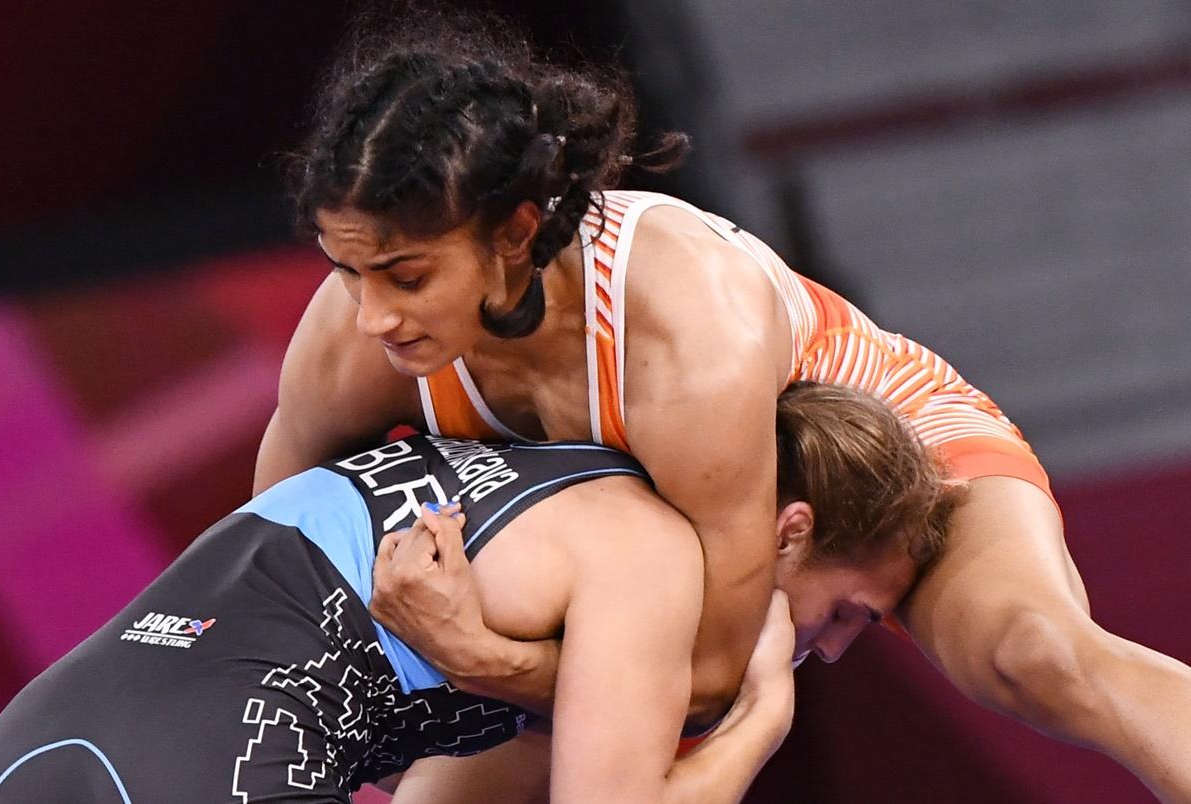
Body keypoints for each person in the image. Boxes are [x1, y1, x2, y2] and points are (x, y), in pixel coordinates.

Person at [255, 11, 1191, 802]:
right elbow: (263, 586)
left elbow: (706, 680)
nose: (372, 313)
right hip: (673, 550)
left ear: (515, 232)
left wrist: (483, 659)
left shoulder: (684, 334)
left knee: (1034, 654)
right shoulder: (353, 339)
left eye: (407, 276)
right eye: (349, 271)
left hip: (876, 448)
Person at [0, 383, 950, 803]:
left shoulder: (541, 472)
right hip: (221, 758)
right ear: (793, 532)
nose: (827, 649)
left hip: (44, 729)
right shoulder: (649, 553)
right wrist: (760, 723)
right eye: (848, 613)